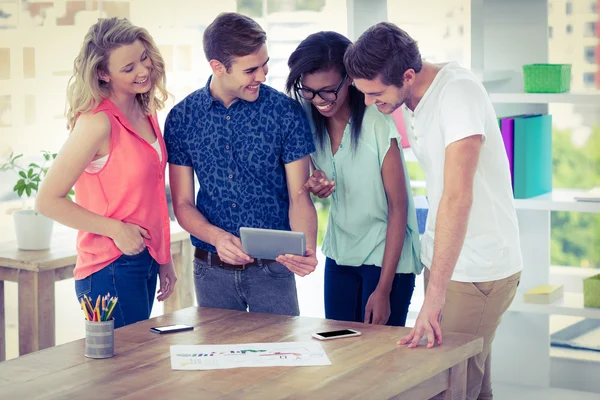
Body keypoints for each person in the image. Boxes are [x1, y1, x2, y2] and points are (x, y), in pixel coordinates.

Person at [344, 22, 522, 399]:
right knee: (474, 386)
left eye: (375, 93)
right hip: (449, 262)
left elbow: (458, 197)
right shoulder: (411, 98)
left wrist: (435, 295)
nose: (368, 103)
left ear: (408, 75)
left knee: (448, 389)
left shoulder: (457, 94)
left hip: (478, 271)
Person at [164, 12, 317, 316]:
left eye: (264, 64)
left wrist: (306, 249)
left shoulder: (285, 113)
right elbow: (182, 204)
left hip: (274, 271)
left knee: (281, 362)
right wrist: (218, 238)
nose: (261, 76)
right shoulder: (182, 118)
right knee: (219, 363)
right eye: (250, 70)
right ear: (218, 67)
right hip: (211, 271)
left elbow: (300, 196)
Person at [35, 17, 177, 329]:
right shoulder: (96, 123)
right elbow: (47, 200)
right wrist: (116, 229)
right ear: (103, 73)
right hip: (109, 267)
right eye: (128, 68)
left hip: (143, 259)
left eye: (143, 59)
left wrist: (163, 258)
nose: (142, 71)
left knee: (138, 370)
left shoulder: (145, 110)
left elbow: (150, 197)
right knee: (124, 373)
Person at [286, 31, 422, 327]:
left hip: (386, 259)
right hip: (340, 254)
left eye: (327, 91)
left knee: (379, 362)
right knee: (339, 350)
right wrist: (317, 184)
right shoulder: (308, 118)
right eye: (308, 91)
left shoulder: (377, 122)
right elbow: (320, 181)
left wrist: (384, 290)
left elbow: (399, 208)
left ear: (350, 79)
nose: (318, 100)